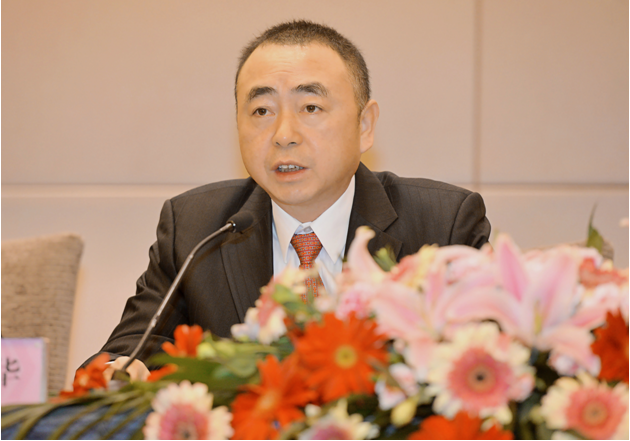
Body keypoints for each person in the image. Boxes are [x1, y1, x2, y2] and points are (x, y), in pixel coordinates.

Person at [95, 20, 491, 381]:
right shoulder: (197, 228)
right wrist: (123, 374)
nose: (284, 135)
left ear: (364, 126)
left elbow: (491, 366)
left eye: (311, 107)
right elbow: (128, 351)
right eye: (261, 111)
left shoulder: (443, 226)